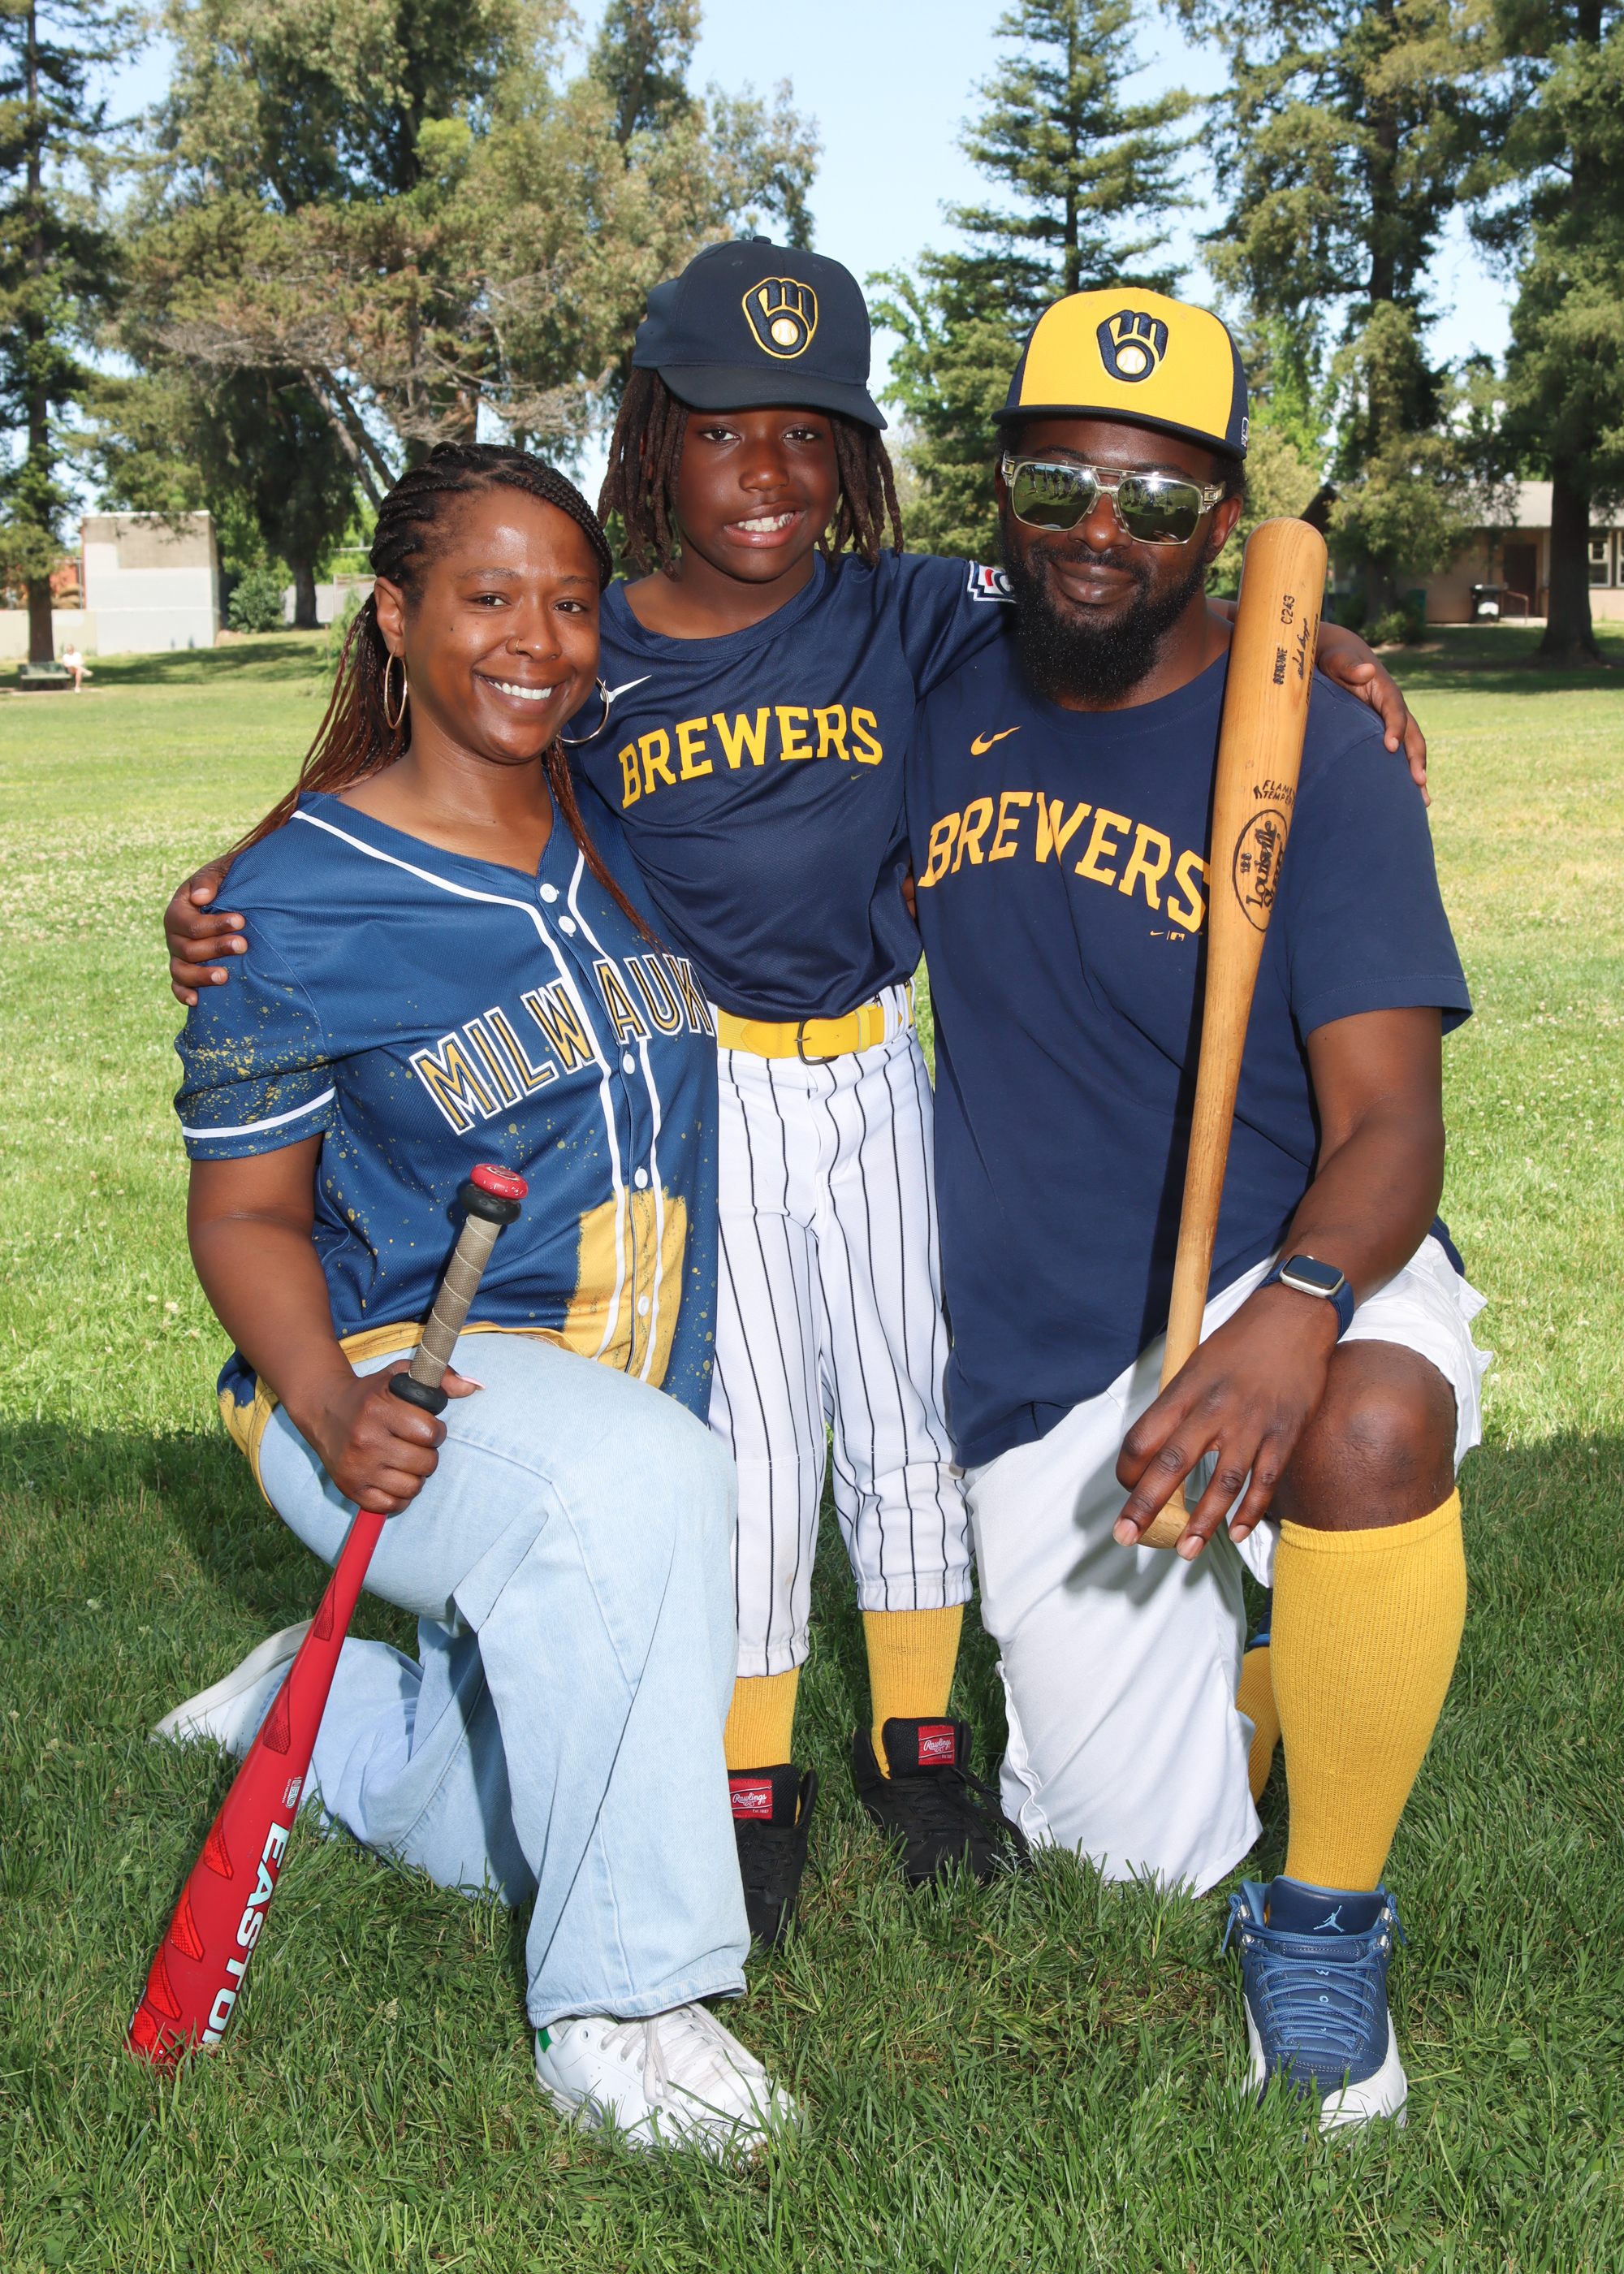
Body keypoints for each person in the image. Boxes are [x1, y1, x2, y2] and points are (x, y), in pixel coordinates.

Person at [163, 240, 1429, 1948]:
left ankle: (921, 1741)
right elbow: (426, 760)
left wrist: (1307, 642)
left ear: (853, 458)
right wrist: (235, 884)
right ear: (653, 442)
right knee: (753, 1434)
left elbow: (1131, 606)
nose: (767, 473)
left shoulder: (905, 609)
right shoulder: (589, 644)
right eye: (722, 431)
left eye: (809, 434)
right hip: (720, 1090)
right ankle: (752, 1769)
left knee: (905, 1411)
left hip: (882, 1066)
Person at [160, 443, 793, 2155]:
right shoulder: (288, 901)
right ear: (395, 613)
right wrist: (323, 1399)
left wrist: (1305, 645)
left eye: (570, 602)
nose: (538, 638)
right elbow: (244, 1214)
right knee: (643, 1489)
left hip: (617, 1394)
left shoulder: (611, 813)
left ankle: (330, 1709)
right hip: (386, 1385)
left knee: (506, 1824)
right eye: (488, 596)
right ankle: (622, 2008)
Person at [906, 287, 1488, 2131]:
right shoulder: (932, 672)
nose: (1104, 532)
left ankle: (1323, 1928)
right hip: (1043, 1344)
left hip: (1286, 1255)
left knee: (1369, 1424)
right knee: (1133, 1854)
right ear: (1000, 489)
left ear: (1222, 523)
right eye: (1060, 484)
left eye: (1158, 502)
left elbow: (1392, 1121)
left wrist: (1295, 1309)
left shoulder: (1316, 742)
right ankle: (1258, 1669)